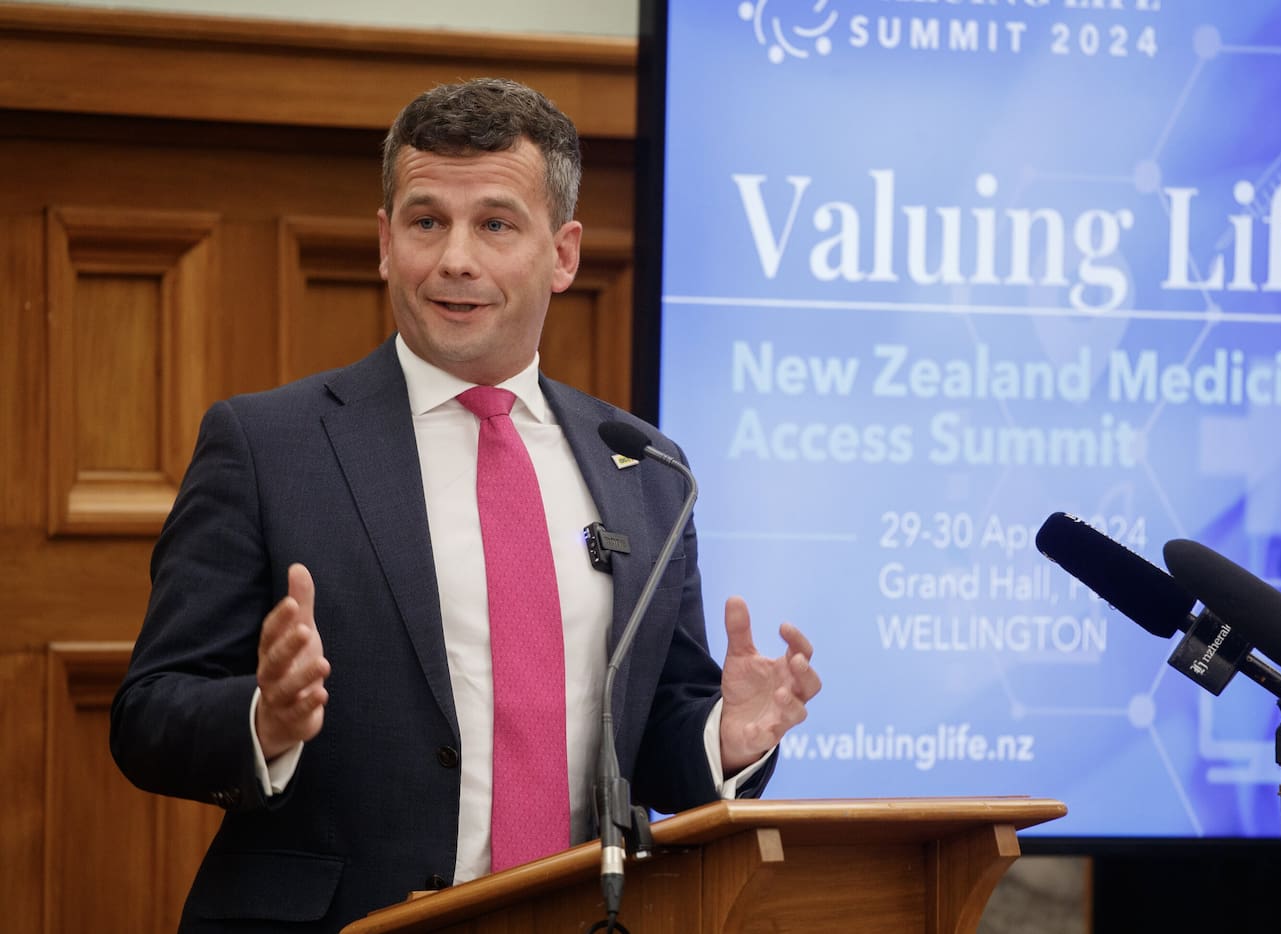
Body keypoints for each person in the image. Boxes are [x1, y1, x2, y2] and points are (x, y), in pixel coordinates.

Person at [110, 77, 821, 933]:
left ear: (561, 254)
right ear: (384, 243)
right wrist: (263, 719)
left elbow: (657, 736)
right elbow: (149, 713)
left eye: (494, 223)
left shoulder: (644, 466)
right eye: (425, 222)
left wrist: (725, 738)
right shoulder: (268, 447)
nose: (454, 258)